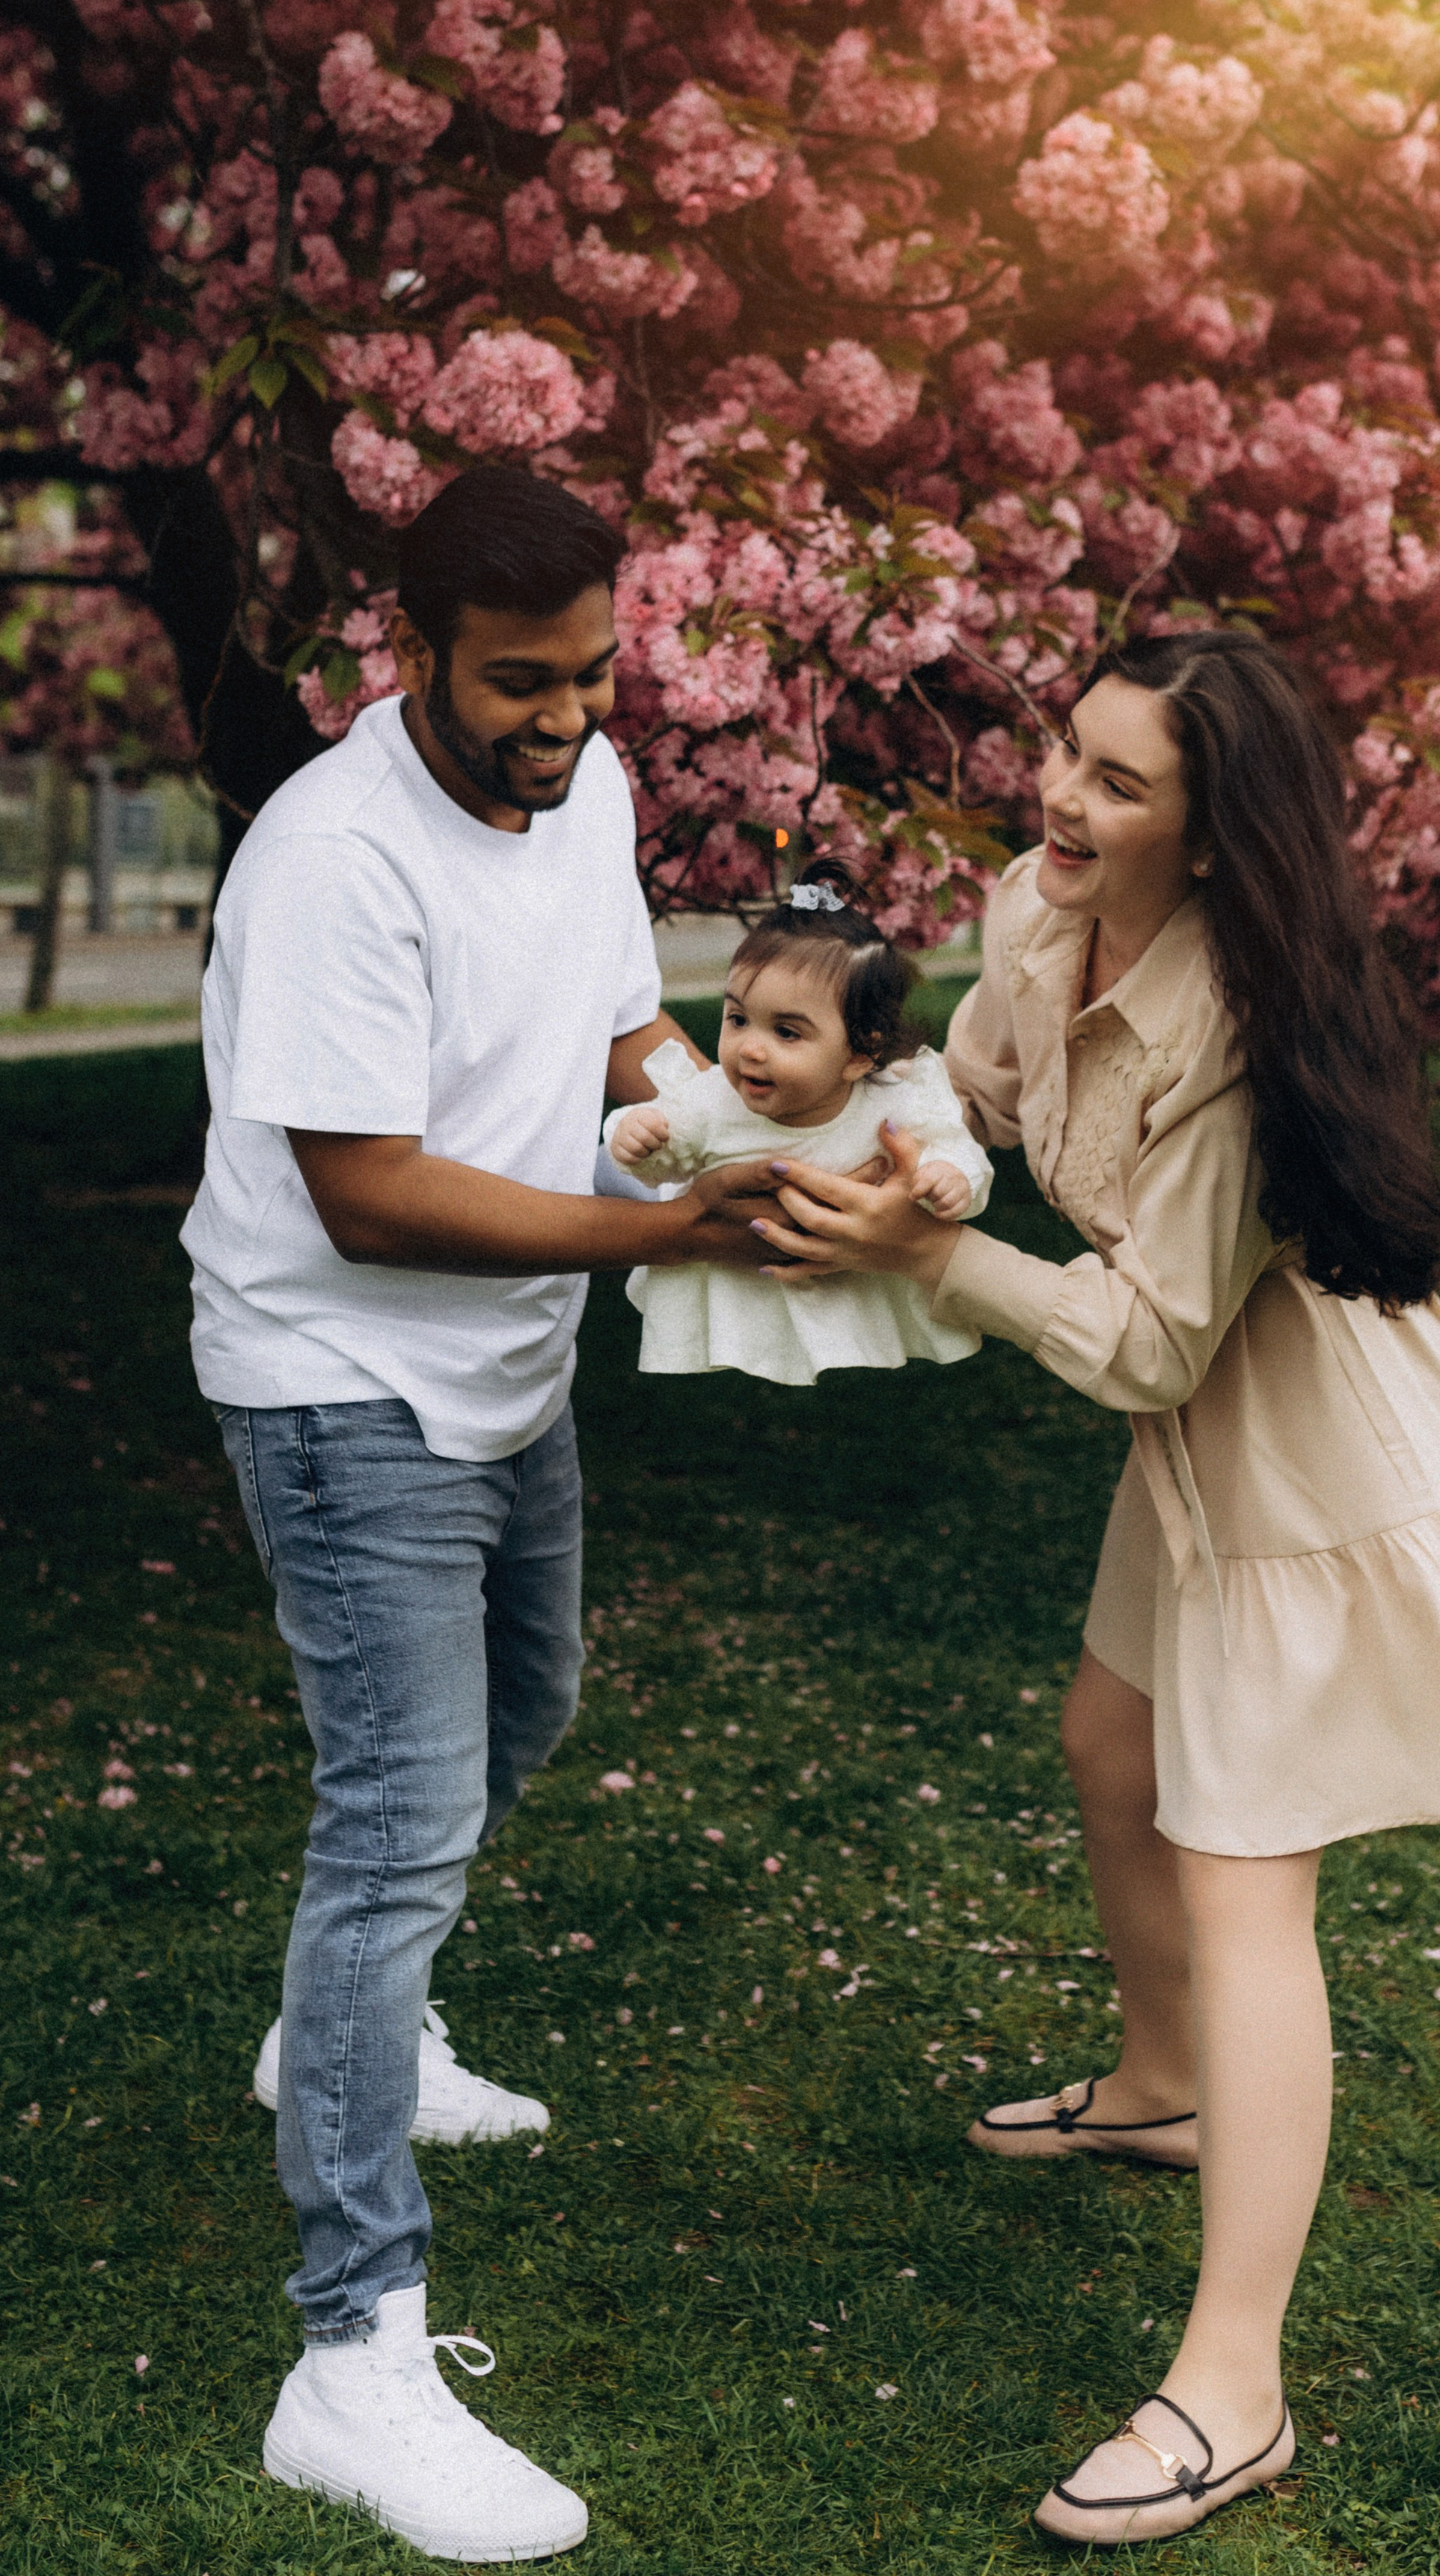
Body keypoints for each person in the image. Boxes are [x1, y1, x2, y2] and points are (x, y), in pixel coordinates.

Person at [753, 627, 1440, 2548]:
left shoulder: (1231, 1017)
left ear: (1209, 838)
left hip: (1302, 1466)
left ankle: (1233, 2384)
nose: (1062, 795)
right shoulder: (1043, 907)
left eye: (1120, 784)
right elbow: (969, 1090)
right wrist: (832, 1150)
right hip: (1195, 1444)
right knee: (1107, 1737)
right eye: (1068, 750)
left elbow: (1140, 1339)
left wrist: (918, 1259)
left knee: (1242, 1866)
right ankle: (1155, 2082)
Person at [180, 464, 774, 2564]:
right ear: (406, 649)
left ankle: (348, 2031)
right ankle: (350, 2358)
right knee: (394, 1822)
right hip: (342, 1380)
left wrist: (739, 1137)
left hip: (504, 1372)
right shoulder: (332, 858)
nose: (564, 713)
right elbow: (372, 1187)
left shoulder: (587, 786)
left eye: (596, 671)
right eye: (521, 680)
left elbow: (622, 1027)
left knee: (529, 1713)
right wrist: (656, 1228)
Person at [604, 862, 991, 1384]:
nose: (750, 1049)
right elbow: (662, 1153)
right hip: (744, 1293)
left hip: (851, 1288)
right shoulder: (715, 1102)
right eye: (738, 1019)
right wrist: (636, 1137)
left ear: (860, 1054)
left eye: (787, 1032)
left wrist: (953, 1178)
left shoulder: (892, 1107)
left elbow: (955, 1150)